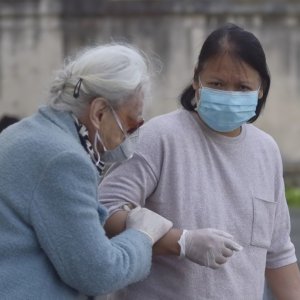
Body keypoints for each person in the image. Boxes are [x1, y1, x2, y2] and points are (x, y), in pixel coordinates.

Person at [99, 24, 300, 299]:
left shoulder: (266, 150)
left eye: (242, 86)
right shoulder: (160, 137)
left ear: (261, 89)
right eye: (217, 84)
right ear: (197, 79)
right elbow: (105, 212)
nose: (229, 94)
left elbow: (278, 253)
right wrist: (181, 241)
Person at [0, 43, 178, 299]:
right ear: (99, 112)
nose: (130, 137)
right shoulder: (64, 160)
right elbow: (98, 273)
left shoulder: (23, 133)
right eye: (131, 124)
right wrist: (142, 235)